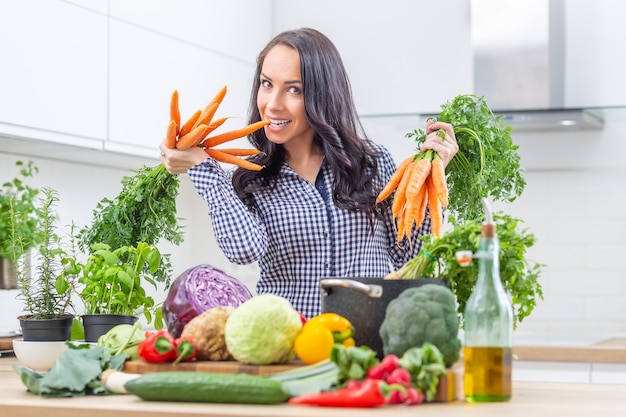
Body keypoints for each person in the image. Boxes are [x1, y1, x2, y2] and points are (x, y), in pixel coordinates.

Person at [160, 28, 458, 318]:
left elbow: (410, 256)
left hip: (367, 341)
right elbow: (244, 251)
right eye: (267, 84)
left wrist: (431, 178)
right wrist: (204, 170)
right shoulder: (252, 176)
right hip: (289, 346)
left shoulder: (372, 163)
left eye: (294, 89)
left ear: (322, 95)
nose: (273, 104)